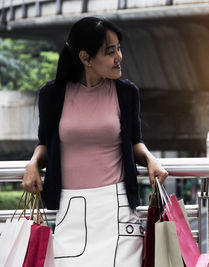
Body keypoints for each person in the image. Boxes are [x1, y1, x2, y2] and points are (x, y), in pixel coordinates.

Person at [21, 16, 168, 267]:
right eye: (110, 52)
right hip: (71, 209)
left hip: (118, 204)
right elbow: (46, 143)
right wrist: (33, 163)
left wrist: (150, 159)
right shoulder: (52, 95)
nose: (119, 57)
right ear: (85, 58)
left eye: (119, 49)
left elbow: (134, 141)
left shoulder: (126, 92)